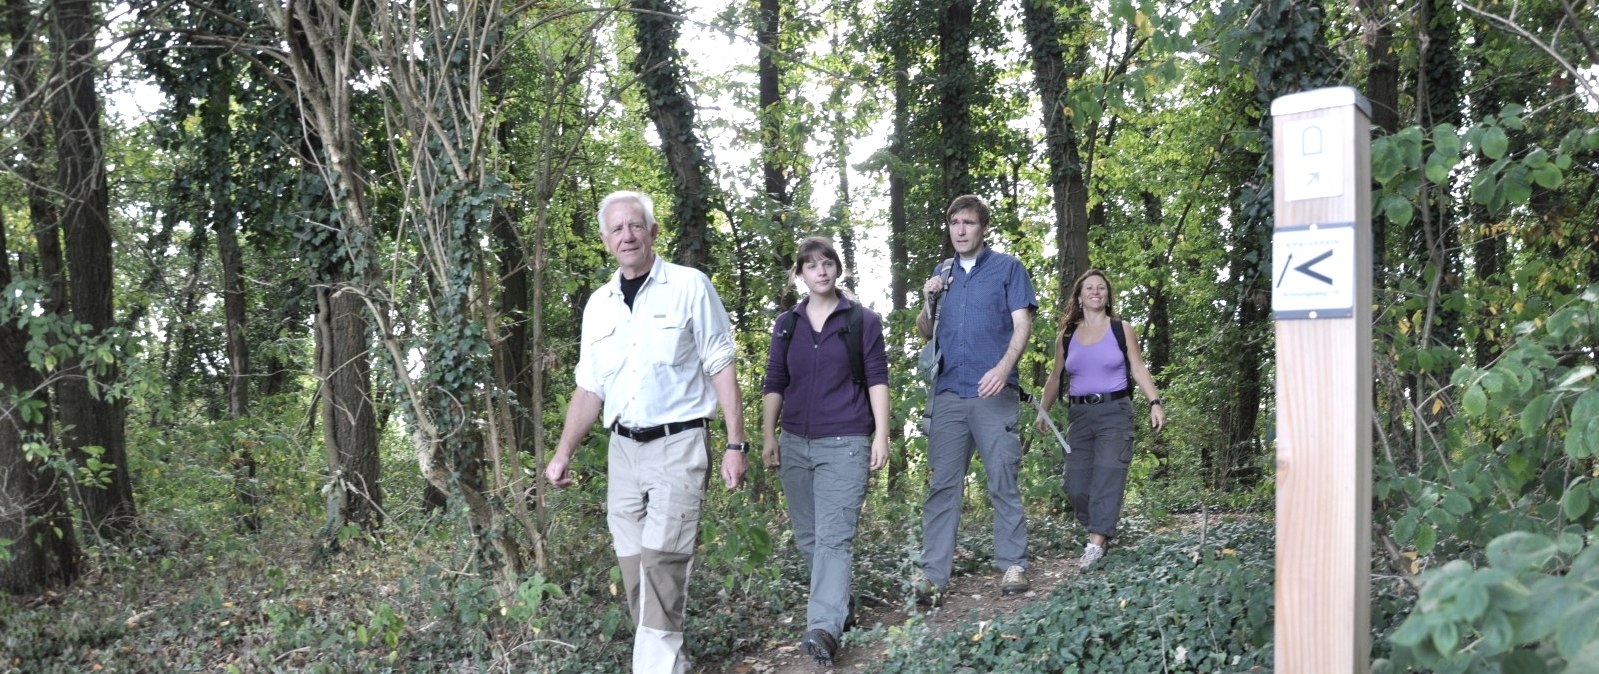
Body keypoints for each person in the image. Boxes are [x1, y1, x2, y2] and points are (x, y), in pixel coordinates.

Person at [545, 190, 749, 674]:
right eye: (617, 229)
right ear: (604, 240)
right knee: (637, 574)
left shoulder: (689, 286)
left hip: (679, 443)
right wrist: (562, 453)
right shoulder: (599, 305)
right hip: (623, 451)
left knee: (662, 565)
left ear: (653, 232)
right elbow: (589, 389)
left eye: (636, 226)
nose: (627, 235)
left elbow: (721, 366)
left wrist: (736, 444)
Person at [760, 237, 891, 666]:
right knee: (810, 537)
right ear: (799, 274)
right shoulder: (787, 325)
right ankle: (841, 602)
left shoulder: (862, 321)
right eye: (810, 265)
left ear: (837, 269)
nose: (820, 271)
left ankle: (822, 628)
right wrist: (768, 435)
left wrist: (881, 435)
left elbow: (876, 379)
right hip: (796, 441)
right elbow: (775, 381)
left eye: (827, 263)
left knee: (834, 537)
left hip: (847, 441)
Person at [912, 194, 1037, 604]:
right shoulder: (942, 272)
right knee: (943, 486)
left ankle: (1013, 563)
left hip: (993, 391)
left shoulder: (1008, 269)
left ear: (983, 228)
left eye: (968, 222)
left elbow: (1023, 325)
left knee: (1002, 477)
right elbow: (925, 332)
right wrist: (928, 299)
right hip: (948, 392)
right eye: (954, 223)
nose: (960, 230)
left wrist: (1002, 370)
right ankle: (933, 575)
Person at [1036, 269, 1166, 571]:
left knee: (1108, 475)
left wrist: (1155, 402)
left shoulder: (1121, 329)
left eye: (1101, 288)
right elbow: (1056, 377)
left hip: (1114, 413)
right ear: (1079, 296)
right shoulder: (1067, 336)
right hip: (1079, 416)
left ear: (1107, 296)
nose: (1095, 292)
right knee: (1075, 485)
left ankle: (1096, 542)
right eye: (1089, 288)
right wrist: (1043, 409)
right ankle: (1100, 530)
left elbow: (1138, 368)